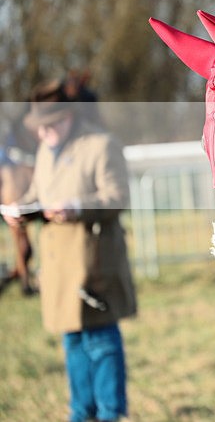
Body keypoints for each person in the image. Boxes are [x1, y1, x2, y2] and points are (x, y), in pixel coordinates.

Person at [2, 80, 136, 422]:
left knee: (101, 340)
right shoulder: (46, 152)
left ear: (71, 116)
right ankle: (81, 412)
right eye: (40, 127)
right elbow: (36, 192)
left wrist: (78, 206)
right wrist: (20, 210)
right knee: (72, 342)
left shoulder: (100, 145)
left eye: (52, 124)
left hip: (94, 261)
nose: (45, 132)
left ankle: (109, 412)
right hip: (59, 264)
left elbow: (118, 197)